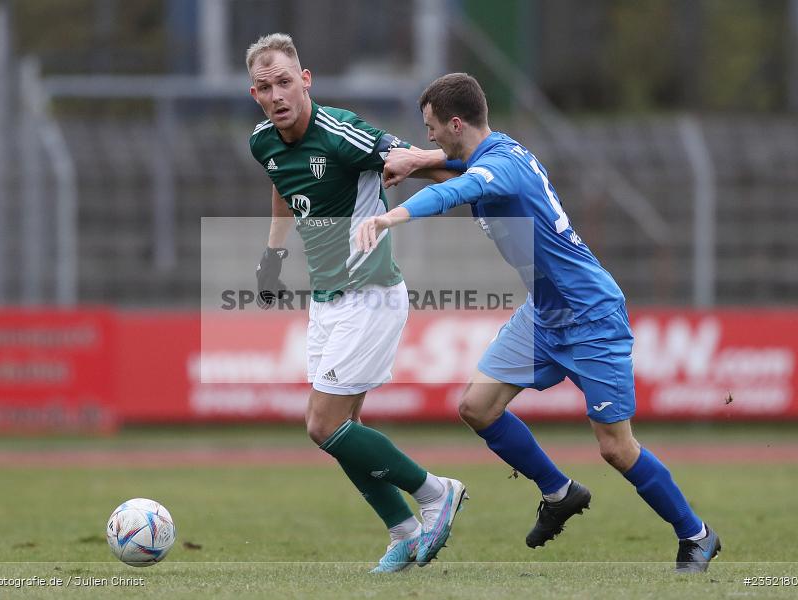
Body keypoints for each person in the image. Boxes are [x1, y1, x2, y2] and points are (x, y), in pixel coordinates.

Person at [356, 72, 721, 573]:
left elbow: (453, 189)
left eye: (432, 127)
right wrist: (419, 159)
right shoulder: (494, 153)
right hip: (545, 315)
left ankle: (696, 534)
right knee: (477, 406)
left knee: (616, 448)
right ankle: (559, 491)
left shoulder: (500, 168)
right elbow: (453, 167)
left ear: (455, 122)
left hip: (591, 315)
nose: (430, 135)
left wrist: (387, 219)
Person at [246, 34, 467, 572]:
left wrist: (476, 168)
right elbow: (281, 185)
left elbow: (414, 162)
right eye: (264, 86)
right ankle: (405, 532)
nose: (276, 94)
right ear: (254, 93)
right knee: (343, 434)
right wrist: (273, 258)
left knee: (323, 425)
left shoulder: (341, 132)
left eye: (284, 82)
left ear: (306, 80)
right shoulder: (263, 142)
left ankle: (437, 492)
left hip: (370, 296)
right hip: (327, 302)